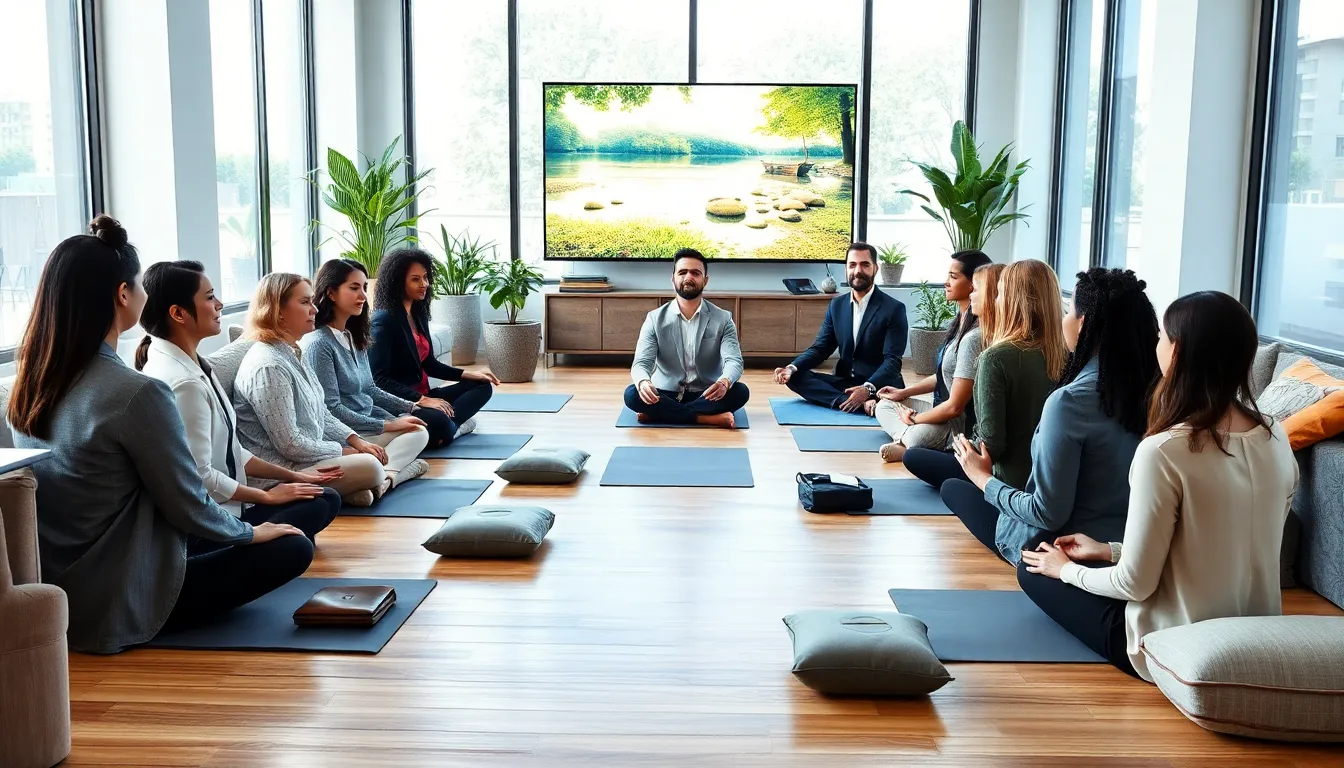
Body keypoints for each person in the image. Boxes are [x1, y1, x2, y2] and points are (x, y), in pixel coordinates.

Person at [8, 216, 310, 654]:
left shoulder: (29, 387)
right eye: (139, 285)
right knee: (290, 547)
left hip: (57, 590)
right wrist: (250, 534)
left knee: (278, 523)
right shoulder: (137, 392)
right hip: (123, 599)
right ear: (122, 295)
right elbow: (187, 502)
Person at [1018, 291, 1296, 681]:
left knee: (1031, 566)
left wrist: (1064, 570)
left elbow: (1134, 582)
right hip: (1260, 635)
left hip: (1176, 646)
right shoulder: (1276, 436)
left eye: (1162, 337)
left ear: (1177, 352)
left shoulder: (1164, 450)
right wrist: (1108, 550)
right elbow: (1214, 545)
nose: (1156, 345)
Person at [948, 268, 1161, 564]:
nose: (1065, 321)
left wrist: (982, 478)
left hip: (1071, 548)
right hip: (1138, 546)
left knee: (955, 490)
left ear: (1083, 324)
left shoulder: (1069, 402)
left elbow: (1045, 513)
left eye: (1069, 313)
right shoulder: (1160, 393)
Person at [136, 260, 343, 541]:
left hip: (232, 506)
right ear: (178, 313)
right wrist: (266, 497)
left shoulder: (196, 366)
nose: (220, 304)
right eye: (210, 298)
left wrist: (294, 477)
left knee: (324, 497)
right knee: (298, 544)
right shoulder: (184, 383)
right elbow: (202, 478)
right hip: (211, 523)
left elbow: (231, 451)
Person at [233, 273, 418, 507]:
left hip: (313, 454)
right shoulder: (269, 366)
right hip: (285, 472)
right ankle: (388, 477)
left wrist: (357, 441)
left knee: (410, 435)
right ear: (278, 310)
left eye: (312, 301)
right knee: (370, 465)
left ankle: (373, 483)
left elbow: (322, 412)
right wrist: (343, 451)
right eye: (305, 302)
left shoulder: (292, 352)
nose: (315, 310)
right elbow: (291, 445)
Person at [902, 260, 1057, 492]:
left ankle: (906, 438)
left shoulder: (994, 355)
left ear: (1009, 299)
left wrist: (968, 457)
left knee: (921, 463)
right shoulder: (1060, 352)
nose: (974, 295)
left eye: (998, 293)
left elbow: (990, 442)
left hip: (1004, 478)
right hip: (1046, 476)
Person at [302, 260, 437, 487]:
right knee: (413, 430)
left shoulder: (353, 335)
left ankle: (382, 478)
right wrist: (388, 425)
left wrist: (412, 408)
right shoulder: (319, 344)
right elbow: (331, 409)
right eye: (354, 288)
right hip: (347, 433)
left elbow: (370, 389)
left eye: (364, 288)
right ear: (331, 293)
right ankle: (391, 476)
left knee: (419, 430)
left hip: (371, 423)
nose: (363, 295)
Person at [870, 250, 993, 462]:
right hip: (940, 410)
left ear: (974, 284)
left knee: (917, 435)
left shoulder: (974, 337)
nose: (946, 282)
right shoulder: (959, 323)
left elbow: (954, 408)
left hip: (958, 426)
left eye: (953, 277)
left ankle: (909, 444)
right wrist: (904, 392)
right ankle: (907, 442)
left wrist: (916, 419)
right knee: (884, 405)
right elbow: (944, 374)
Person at [370, 248, 499, 440]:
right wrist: (422, 400)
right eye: (415, 279)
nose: (424, 284)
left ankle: (449, 427)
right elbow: (379, 380)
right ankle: (454, 427)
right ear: (398, 282)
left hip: (427, 395)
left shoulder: (417, 312)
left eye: (425, 277)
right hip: (404, 403)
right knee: (439, 423)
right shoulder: (383, 322)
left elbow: (428, 364)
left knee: (482, 386)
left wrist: (469, 374)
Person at [773, 242, 908, 412]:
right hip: (845, 382)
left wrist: (867, 389)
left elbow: (893, 362)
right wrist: (791, 368)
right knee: (795, 377)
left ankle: (866, 400)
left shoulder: (894, 308)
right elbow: (820, 348)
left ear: (875, 269)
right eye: (852, 265)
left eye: (865, 265)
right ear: (846, 268)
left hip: (880, 386)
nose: (857, 270)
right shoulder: (836, 305)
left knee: (882, 392)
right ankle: (854, 403)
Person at [623, 249, 749, 428]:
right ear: (673, 278)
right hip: (665, 393)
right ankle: (705, 418)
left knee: (740, 391)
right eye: (682, 272)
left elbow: (734, 361)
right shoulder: (654, 318)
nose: (688, 277)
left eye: (695, 273)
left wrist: (724, 381)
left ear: (705, 280)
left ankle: (661, 414)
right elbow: (641, 364)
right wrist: (643, 382)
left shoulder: (723, 318)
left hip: (707, 393)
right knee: (631, 394)